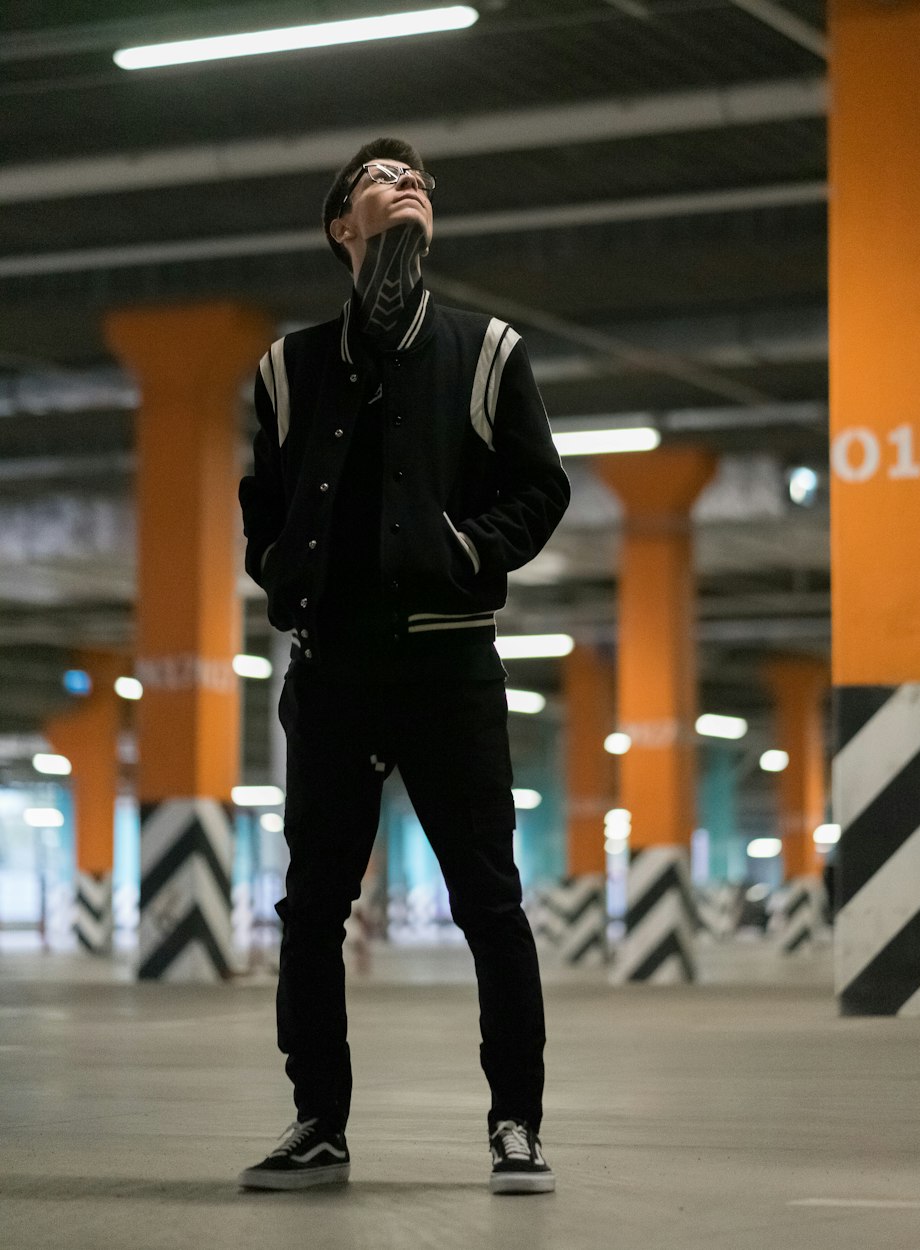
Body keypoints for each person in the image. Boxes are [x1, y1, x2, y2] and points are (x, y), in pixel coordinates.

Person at [237, 137, 570, 1195]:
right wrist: (280, 564)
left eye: (417, 178)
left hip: (447, 664)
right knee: (311, 908)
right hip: (331, 669)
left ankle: (515, 1121)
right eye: (380, 178)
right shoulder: (286, 368)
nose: (407, 181)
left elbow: (538, 487)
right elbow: (263, 505)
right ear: (344, 227)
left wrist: (465, 551)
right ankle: (317, 1121)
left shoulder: (487, 351)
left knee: (489, 901)